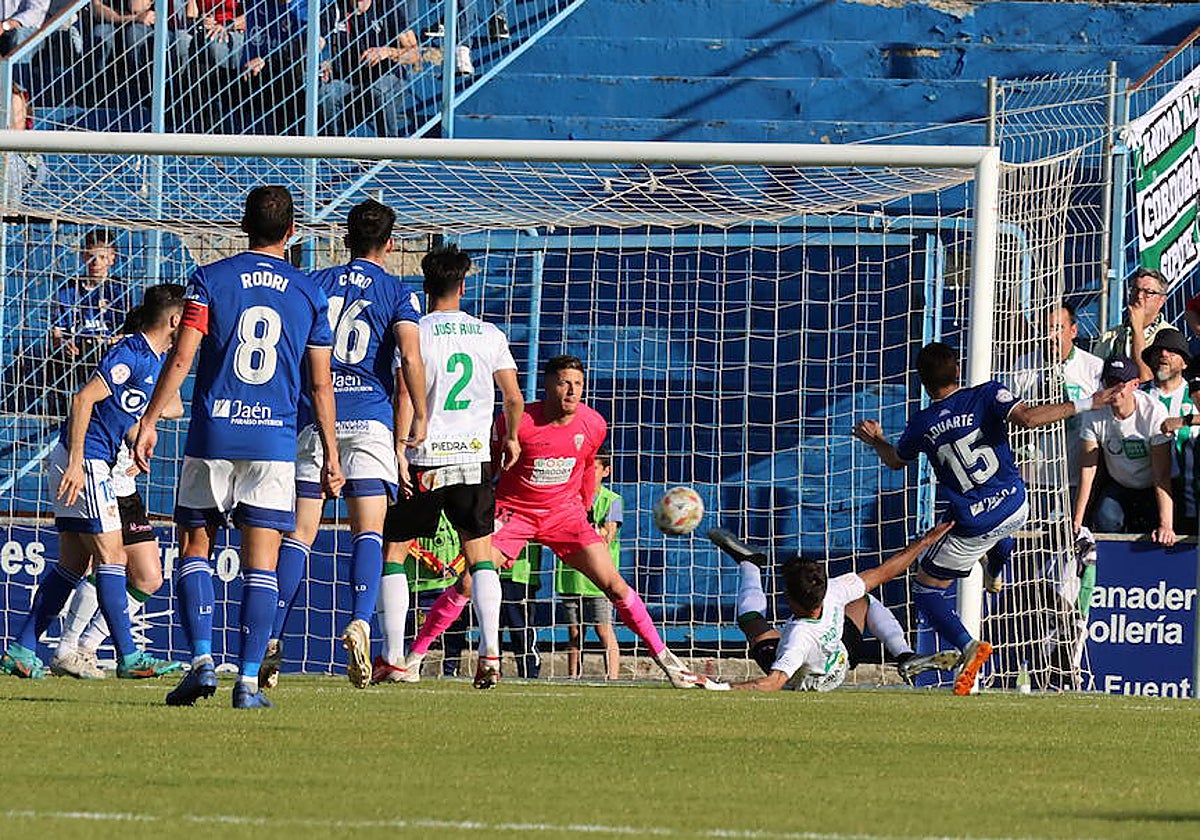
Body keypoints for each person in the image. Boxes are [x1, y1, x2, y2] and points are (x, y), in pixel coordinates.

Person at [133, 185, 343, 709]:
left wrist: (150, 419)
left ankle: (202, 662)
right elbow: (320, 385)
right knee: (262, 563)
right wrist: (332, 454)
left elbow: (181, 358)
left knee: (194, 546)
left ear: (242, 226)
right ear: (294, 233)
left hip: (213, 432)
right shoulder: (309, 292)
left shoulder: (210, 279)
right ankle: (247, 682)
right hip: (273, 439)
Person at [407, 355, 699, 689]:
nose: (572, 391)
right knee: (468, 583)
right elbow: (490, 466)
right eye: (563, 383)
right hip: (514, 514)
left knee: (615, 585)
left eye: (578, 384)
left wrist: (584, 505)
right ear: (547, 385)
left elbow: (589, 464)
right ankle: (414, 659)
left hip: (565, 516)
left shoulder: (593, 424)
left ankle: (670, 664)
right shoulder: (514, 422)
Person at [853, 341, 1121, 695]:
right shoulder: (988, 394)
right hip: (1015, 504)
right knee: (976, 518)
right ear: (958, 370)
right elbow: (1029, 418)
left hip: (975, 524)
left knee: (926, 590)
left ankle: (968, 645)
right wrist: (1090, 401)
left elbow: (896, 460)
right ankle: (995, 568)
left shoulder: (921, 423)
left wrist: (876, 440)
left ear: (923, 383)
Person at [258, 198, 426, 691]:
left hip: (318, 418)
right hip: (371, 421)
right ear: (391, 244)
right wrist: (421, 418)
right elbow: (411, 359)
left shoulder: (316, 284)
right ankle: (358, 620)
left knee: (301, 533)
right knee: (368, 531)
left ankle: (271, 637)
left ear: (345, 238)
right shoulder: (398, 292)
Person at [1, 284, 186, 680]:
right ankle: (129, 656)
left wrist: (137, 438)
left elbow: (145, 409)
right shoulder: (131, 354)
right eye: (185, 318)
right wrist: (76, 462)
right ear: (173, 320)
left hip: (88, 460)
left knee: (72, 562)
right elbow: (83, 400)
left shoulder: (153, 359)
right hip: (87, 464)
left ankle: (21, 649)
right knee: (112, 558)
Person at [377, 244, 524, 688]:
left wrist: (400, 449)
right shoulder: (489, 335)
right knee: (480, 557)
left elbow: (405, 395)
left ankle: (395, 657)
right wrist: (512, 437)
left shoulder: (413, 332)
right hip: (473, 457)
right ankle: (492, 653)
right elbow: (513, 398)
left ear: (425, 286)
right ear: (463, 285)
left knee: (395, 553)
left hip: (425, 456)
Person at [698, 523, 957, 692]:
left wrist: (717, 687)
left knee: (752, 621)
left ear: (791, 599)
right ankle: (904, 656)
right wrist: (922, 543)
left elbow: (773, 682)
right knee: (863, 600)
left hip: (810, 681)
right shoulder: (834, 590)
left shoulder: (797, 637)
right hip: (842, 656)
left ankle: (750, 564)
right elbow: (884, 573)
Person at [1074, 355, 1174, 543]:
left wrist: (1166, 524)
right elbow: (1088, 469)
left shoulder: (1154, 412)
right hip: (1119, 482)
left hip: (1153, 485)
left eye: (1120, 384)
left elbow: (1162, 475)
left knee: (1159, 532)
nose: (1114, 390)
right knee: (1106, 519)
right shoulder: (1093, 413)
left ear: (1135, 384)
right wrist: (1077, 520)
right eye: (1109, 383)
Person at [1010, 303, 1105, 495]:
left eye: (1057, 328)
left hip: (1074, 479)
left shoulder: (1094, 368)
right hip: (1030, 479)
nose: (1050, 336)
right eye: (1046, 329)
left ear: (1073, 331)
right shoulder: (1023, 365)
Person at [555, 444, 622, 680]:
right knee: (574, 632)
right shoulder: (568, 498)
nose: (587, 473)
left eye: (593, 468)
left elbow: (607, 536)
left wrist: (585, 529)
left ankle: (612, 676)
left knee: (603, 629)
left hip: (599, 580)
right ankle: (573, 676)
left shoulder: (612, 500)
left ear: (606, 471)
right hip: (570, 577)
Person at [48, 229, 131, 415]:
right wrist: (64, 344)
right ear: (84, 256)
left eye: (102, 257)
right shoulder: (68, 290)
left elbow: (128, 332)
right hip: (76, 357)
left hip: (107, 352)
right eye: (91, 256)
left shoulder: (119, 291)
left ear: (112, 259)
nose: (96, 263)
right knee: (55, 363)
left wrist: (111, 340)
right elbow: (56, 333)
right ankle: (60, 414)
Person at [319, 0, 414, 137]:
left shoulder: (386, 6)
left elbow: (414, 53)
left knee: (380, 92)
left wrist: (388, 52)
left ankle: (387, 151)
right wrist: (321, 61)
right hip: (350, 80)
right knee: (326, 94)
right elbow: (318, 41)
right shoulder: (335, 9)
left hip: (387, 76)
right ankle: (335, 150)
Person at [1142, 330, 1199, 535]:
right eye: (1158, 351)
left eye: (1173, 351)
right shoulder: (1139, 396)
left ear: (1185, 363)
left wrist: (1185, 421)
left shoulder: (1195, 395)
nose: (1164, 354)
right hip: (1144, 490)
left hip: (1189, 493)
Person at [1093, 267, 1178, 382]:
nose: (1139, 296)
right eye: (1135, 290)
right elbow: (1095, 378)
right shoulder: (1110, 336)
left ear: (1161, 300)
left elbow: (1148, 379)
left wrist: (1137, 328)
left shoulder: (1170, 337)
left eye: (1148, 292)